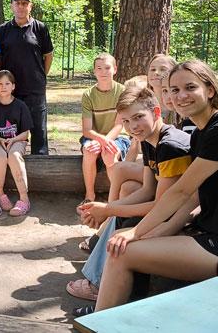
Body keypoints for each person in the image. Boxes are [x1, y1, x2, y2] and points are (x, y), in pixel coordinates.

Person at [86, 60, 218, 316]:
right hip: (209, 231)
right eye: (173, 90)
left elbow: (181, 191)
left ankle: (101, 321)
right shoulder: (200, 133)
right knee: (128, 238)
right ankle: (124, 310)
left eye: (189, 87)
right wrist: (150, 232)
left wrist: (136, 232)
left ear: (209, 90)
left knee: (123, 251)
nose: (180, 96)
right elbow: (192, 199)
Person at [68, 86, 193, 306]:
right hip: (171, 210)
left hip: (189, 217)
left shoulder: (170, 145)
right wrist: (104, 209)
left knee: (126, 227)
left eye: (138, 117)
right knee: (121, 216)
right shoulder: (149, 140)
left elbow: (161, 206)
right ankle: (110, 288)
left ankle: (106, 291)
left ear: (156, 113)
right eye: (125, 121)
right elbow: (146, 189)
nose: (132, 126)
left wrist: (108, 210)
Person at [0, 0, 54, 155]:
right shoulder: (2, 31)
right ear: (11, 6)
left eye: (24, 3)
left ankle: (41, 166)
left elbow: (48, 55)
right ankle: (11, 162)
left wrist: (41, 75)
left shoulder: (40, 28)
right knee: (10, 130)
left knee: (39, 132)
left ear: (30, 6)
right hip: (10, 90)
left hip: (34, 89)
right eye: (17, 3)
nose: (21, 7)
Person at [79, 53, 130, 205]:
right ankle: (89, 196)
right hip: (94, 136)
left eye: (107, 68)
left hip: (117, 136)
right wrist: (100, 140)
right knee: (89, 152)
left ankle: (114, 200)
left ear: (115, 69)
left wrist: (105, 142)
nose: (103, 72)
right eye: (99, 68)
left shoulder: (122, 92)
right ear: (94, 71)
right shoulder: (88, 95)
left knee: (109, 154)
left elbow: (119, 125)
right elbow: (86, 130)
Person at [0, 71, 33, 216]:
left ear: (13, 86)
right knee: (0, 157)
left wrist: (13, 140)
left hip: (17, 140)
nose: (3, 87)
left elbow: (26, 133)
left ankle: (24, 199)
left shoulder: (20, 106)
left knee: (14, 155)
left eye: (7, 84)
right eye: (0, 84)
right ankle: (0, 193)